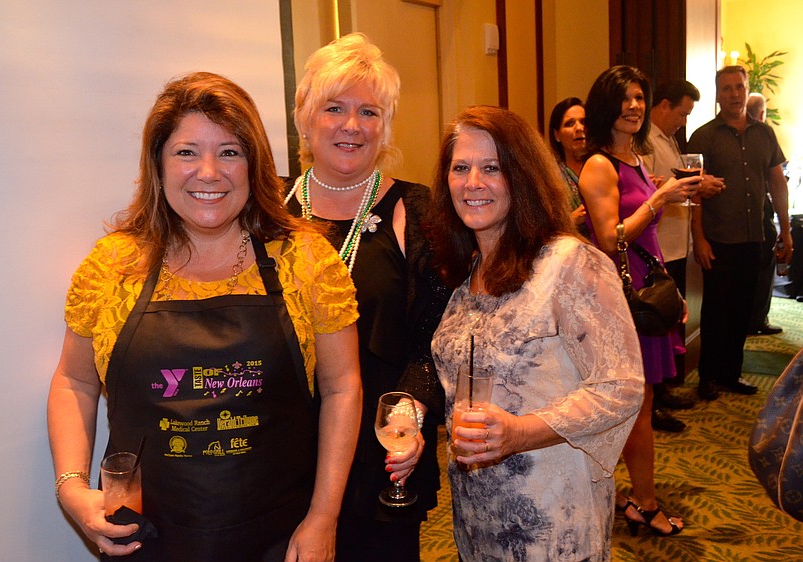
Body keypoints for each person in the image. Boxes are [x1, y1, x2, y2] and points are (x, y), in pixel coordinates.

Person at [47, 72, 362, 561]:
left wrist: (324, 517)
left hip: (279, 539)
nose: (209, 172)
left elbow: (343, 388)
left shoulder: (306, 261)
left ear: (254, 164)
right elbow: (74, 381)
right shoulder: (112, 267)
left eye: (230, 152)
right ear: (158, 165)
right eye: (186, 152)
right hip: (142, 539)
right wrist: (71, 486)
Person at [429, 105, 644, 561]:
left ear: (523, 176)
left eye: (492, 168)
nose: (473, 183)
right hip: (477, 514)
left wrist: (520, 432)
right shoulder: (470, 269)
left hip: (552, 518)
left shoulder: (569, 263)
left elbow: (621, 386)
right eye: (460, 168)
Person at [286, 33, 449, 562]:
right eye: (334, 108)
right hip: (281, 448)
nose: (352, 125)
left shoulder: (417, 211)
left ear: (386, 125)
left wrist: (410, 415)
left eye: (369, 111)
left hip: (379, 447)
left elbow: (437, 339)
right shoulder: (267, 209)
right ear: (304, 117)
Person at [579, 65, 699, 536]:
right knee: (636, 404)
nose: (634, 106)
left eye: (639, 98)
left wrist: (671, 292)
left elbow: (643, 239)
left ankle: (632, 496)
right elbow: (611, 238)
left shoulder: (635, 158)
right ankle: (644, 504)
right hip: (618, 297)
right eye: (625, 98)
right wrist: (661, 197)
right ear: (606, 105)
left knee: (639, 403)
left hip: (645, 291)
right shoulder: (599, 164)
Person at [687, 66, 793, 401]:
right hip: (718, 238)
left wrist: (785, 228)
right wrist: (698, 238)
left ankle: (731, 373)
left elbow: (776, 181)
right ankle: (708, 376)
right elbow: (693, 192)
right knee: (716, 311)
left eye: (739, 87)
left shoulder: (765, 134)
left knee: (742, 310)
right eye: (727, 88)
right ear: (718, 94)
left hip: (754, 236)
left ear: (747, 90)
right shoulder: (704, 136)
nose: (734, 94)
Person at [642, 79, 711, 432]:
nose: (684, 122)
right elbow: (651, 188)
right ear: (664, 105)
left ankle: (664, 390)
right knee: (657, 323)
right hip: (659, 245)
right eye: (681, 114)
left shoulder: (668, 138)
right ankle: (652, 403)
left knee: (670, 323)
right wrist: (692, 185)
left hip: (675, 243)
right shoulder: (645, 140)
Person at [746, 92, 783, 336]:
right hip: (760, 213)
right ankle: (757, 319)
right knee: (763, 268)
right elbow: (776, 180)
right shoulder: (764, 134)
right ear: (761, 113)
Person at [547, 97, 589, 234]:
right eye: (570, 124)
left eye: (583, 122)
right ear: (557, 135)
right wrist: (571, 220)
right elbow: (541, 229)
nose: (579, 128)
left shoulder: (606, 167)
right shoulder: (551, 177)